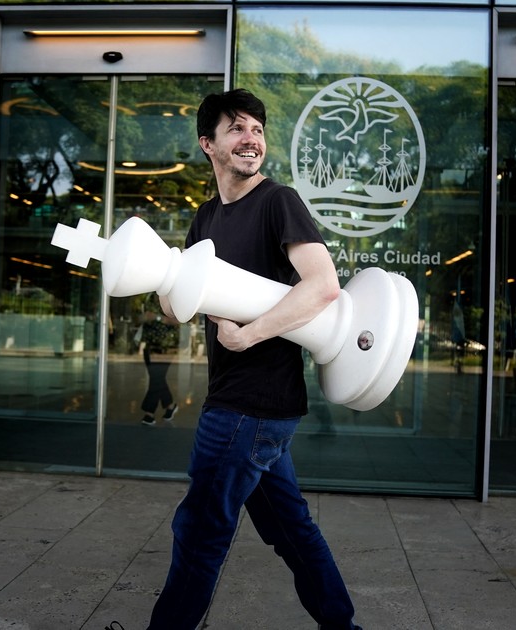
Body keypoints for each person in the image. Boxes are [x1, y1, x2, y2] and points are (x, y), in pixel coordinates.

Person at [143, 89, 361, 630]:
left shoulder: (278, 201)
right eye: (237, 128)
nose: (251, 139)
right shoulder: (207, 217)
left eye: (258, 130)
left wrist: (250, 335)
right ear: (208, 144)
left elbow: (323, 286)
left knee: (200, 530)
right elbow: (175, 309)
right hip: (253, 406)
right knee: (292, 531)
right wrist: (160, 278)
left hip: (250, 403)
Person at [137, 293, 179, 425]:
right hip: (149, 344)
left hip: (165, 346)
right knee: (157, 378)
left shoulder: (173, 296)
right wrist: (143, 318)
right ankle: (170, 405)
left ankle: (149, 413)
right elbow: (140, 318)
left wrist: (157, 317)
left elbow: (179, 321)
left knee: (156, 377)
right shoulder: (149, 297)